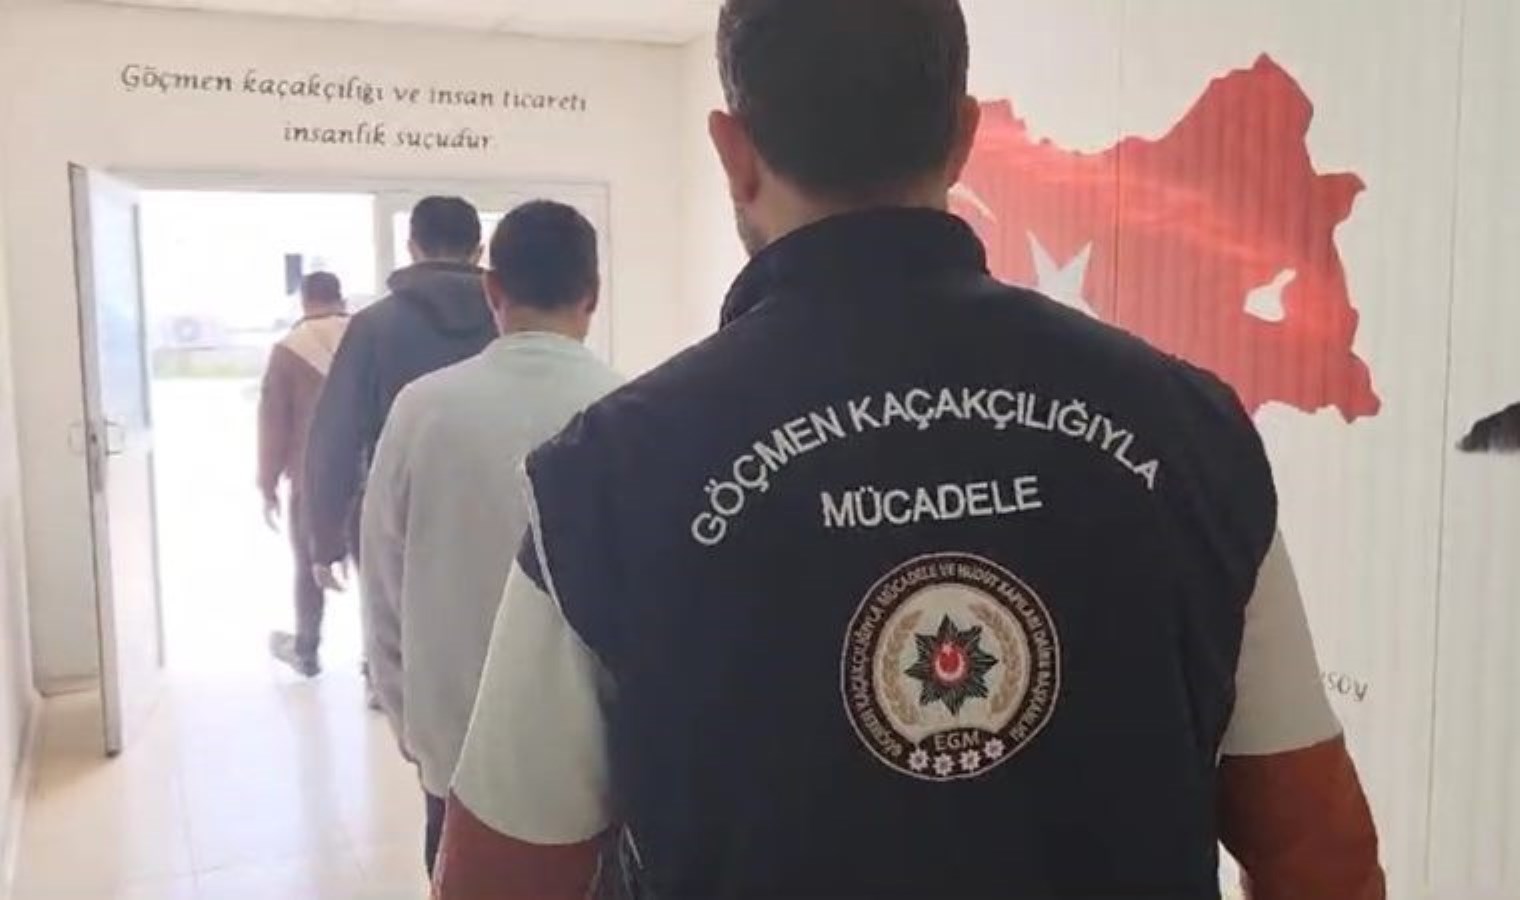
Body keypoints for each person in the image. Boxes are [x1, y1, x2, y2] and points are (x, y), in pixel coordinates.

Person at [435, 2, 1386, 898]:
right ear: (963, 134)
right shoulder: (1190, 431)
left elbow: (500, 879)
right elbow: (1320, 854)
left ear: (733, 150)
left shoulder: (606, 476)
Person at [360, 201, 620, 878]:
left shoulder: (422, 408)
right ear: (592, 295)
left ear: (492, 290)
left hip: (455, 740)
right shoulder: (633, 408)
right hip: (593, 752)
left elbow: (381, 573)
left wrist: (407, 716)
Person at [300, 197, 495, 685]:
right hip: (498, 507)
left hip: (398, 513)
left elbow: (335, 436)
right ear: (479, 250)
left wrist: (324, 538)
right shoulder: (508, 321)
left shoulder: (373, 327)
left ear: (412, 248)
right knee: (491, 652)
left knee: (406, 660)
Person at [258, 272, 349, 677]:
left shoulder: (287, 350)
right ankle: (377, 667)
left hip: (310, 478)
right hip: (365, 475)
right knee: (376, 573)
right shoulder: (365, 337)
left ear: (304, 300)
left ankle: (307, 650)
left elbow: (273, 423)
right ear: (340, 298)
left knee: (308, 567)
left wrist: (267, 483)